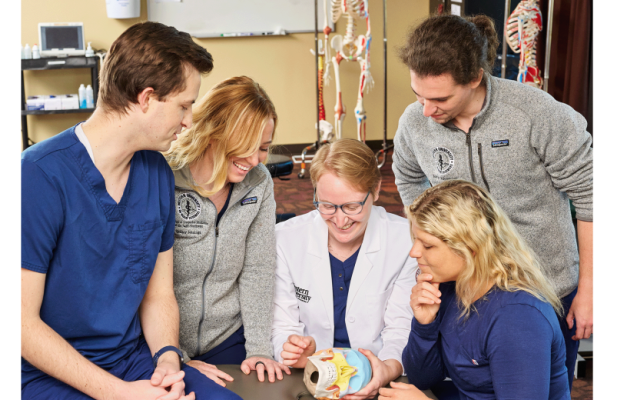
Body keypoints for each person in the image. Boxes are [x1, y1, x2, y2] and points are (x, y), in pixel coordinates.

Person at [20, 22, 242, 399]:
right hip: (50, 372)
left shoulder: (155, 172)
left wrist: (169, 360)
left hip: (131, 359)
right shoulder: (38, 175)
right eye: (184, 106)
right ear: (146, 98)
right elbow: (22, 324)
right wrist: (119, 394)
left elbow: (158, 296)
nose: (189, 121)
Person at [392, 14, 594, 389]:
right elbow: (406, 176)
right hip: (468, 283)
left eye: (439, 99)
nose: (426, 110)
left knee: (538, 384)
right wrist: (431, 235)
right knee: (461, 381)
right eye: (418, 95)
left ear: (474, 79)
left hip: (545, 283)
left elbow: (589, 197)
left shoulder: (536, 113)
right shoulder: (415, 123)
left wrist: (589, 288)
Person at [378, 180, 570, 400]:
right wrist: (424, 326)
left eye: (427, 245)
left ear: (470, 247)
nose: (414, 252)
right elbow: (422, 378)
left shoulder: (517, 318)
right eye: (415, 241)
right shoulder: (451, 289)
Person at [163, 76, 290, 388]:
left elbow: (258, 267)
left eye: (263, 148)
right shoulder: (163, 176)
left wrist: (259, 348)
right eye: (245, 147)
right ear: (213, 134)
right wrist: (174, 354)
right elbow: (142, 279)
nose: (255, 160)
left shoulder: (259, 182)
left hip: (228, 336)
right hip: (163, 341)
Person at [272, 139, 418, 400]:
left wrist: (384, 370)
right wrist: (294, 350)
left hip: (379, 377)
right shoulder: (285, 240)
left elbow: (401, 330)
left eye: (352, 206)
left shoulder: (405, 242)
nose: (340, 221)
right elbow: (282, 325)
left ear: (375, 190)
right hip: (309, 376)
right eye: (327, 206)